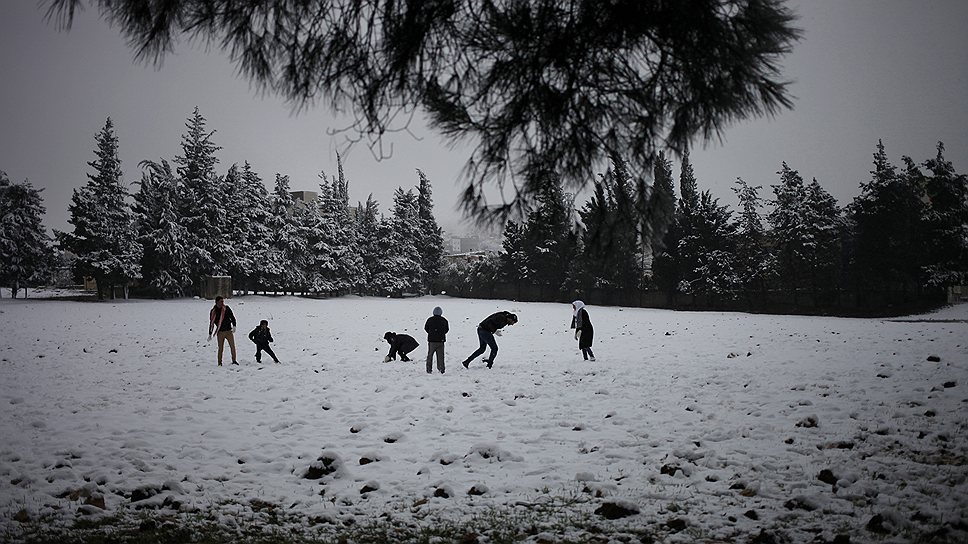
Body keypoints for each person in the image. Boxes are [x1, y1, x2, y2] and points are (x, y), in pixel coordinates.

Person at [208, 296, 238, 366]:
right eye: (221, 301)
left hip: (228, 331)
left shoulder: (226, 308)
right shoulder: (213, 311)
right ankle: (219, 363)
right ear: (217, 302)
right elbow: (211, 322)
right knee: (220, 348)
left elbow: (232, 317)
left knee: (232, 347)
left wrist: (234, 325)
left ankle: (234, 360)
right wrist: (210, 333)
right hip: (220, 332)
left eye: (223, 301)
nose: (222, 303)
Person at [424, 306, 449, 374]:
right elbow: (447, 329)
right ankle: (441, 369)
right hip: (441, 341)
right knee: (441, 356)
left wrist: (431, 333)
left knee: (430, 355)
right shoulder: (444, 320)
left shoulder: (430, 320)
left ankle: (429, 369)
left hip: (432, 341)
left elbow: (426, 328)